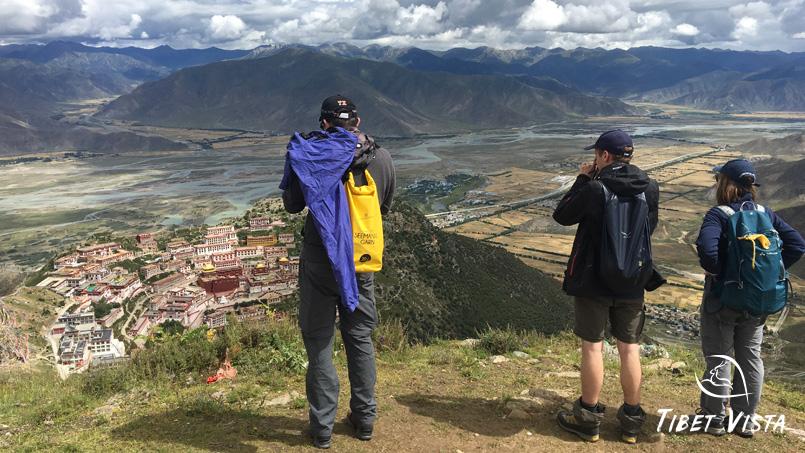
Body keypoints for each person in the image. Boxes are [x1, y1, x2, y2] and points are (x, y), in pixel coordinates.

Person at [281, 95, 395, 449]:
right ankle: (364, 420)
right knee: (359, 338)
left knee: (319, 342)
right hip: (360, 259)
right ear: (357, 123)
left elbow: (292, 205)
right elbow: (385, 207)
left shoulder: (310, 154)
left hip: (319, 259)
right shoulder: (381, 157)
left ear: (324, 123)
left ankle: (322, 428)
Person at [552, 130, 661, 444]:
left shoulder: (596, 188)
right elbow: (648, 228)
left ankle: (588, 418)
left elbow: (562, 215)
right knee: (629, 348)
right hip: (633, 280)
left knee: (593, 347)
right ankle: (631, 420)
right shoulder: (650, 187)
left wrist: (582, 180)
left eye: (596, 155)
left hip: (594, 280)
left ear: (604, 156)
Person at [694, 158, 804, 438]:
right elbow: (797, 244)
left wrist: (723, 274)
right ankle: (744, 421)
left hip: (723, 300)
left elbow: (707, 251)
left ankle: (714, 418)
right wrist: (771, 275)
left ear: (725, 183)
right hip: (759, 299)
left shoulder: (718, 214)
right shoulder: (766, 213)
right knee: (750, 358)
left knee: (719, 358)